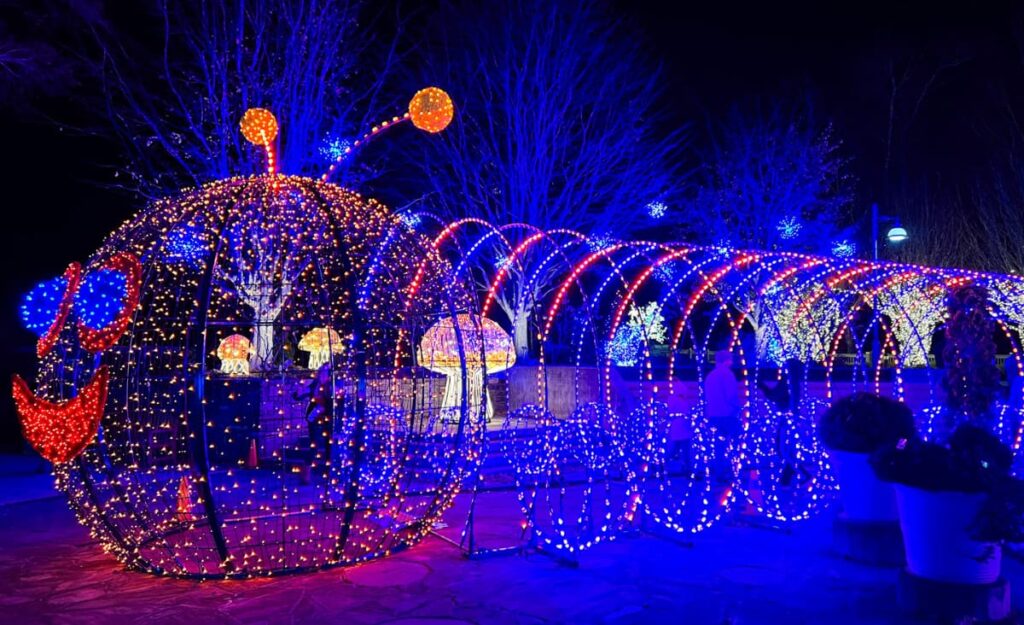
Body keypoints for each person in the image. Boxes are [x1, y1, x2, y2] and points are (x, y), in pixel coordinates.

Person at [704, 350, 742, 482]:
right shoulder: (727, 374)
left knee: (718, 444)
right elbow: (731, 395)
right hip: (727, 414)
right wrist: (738, 409)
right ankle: (730, 470)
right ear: (727, 359)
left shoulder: (710, 375)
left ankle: (718, 470)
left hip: (713, 414)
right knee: (734, 442)